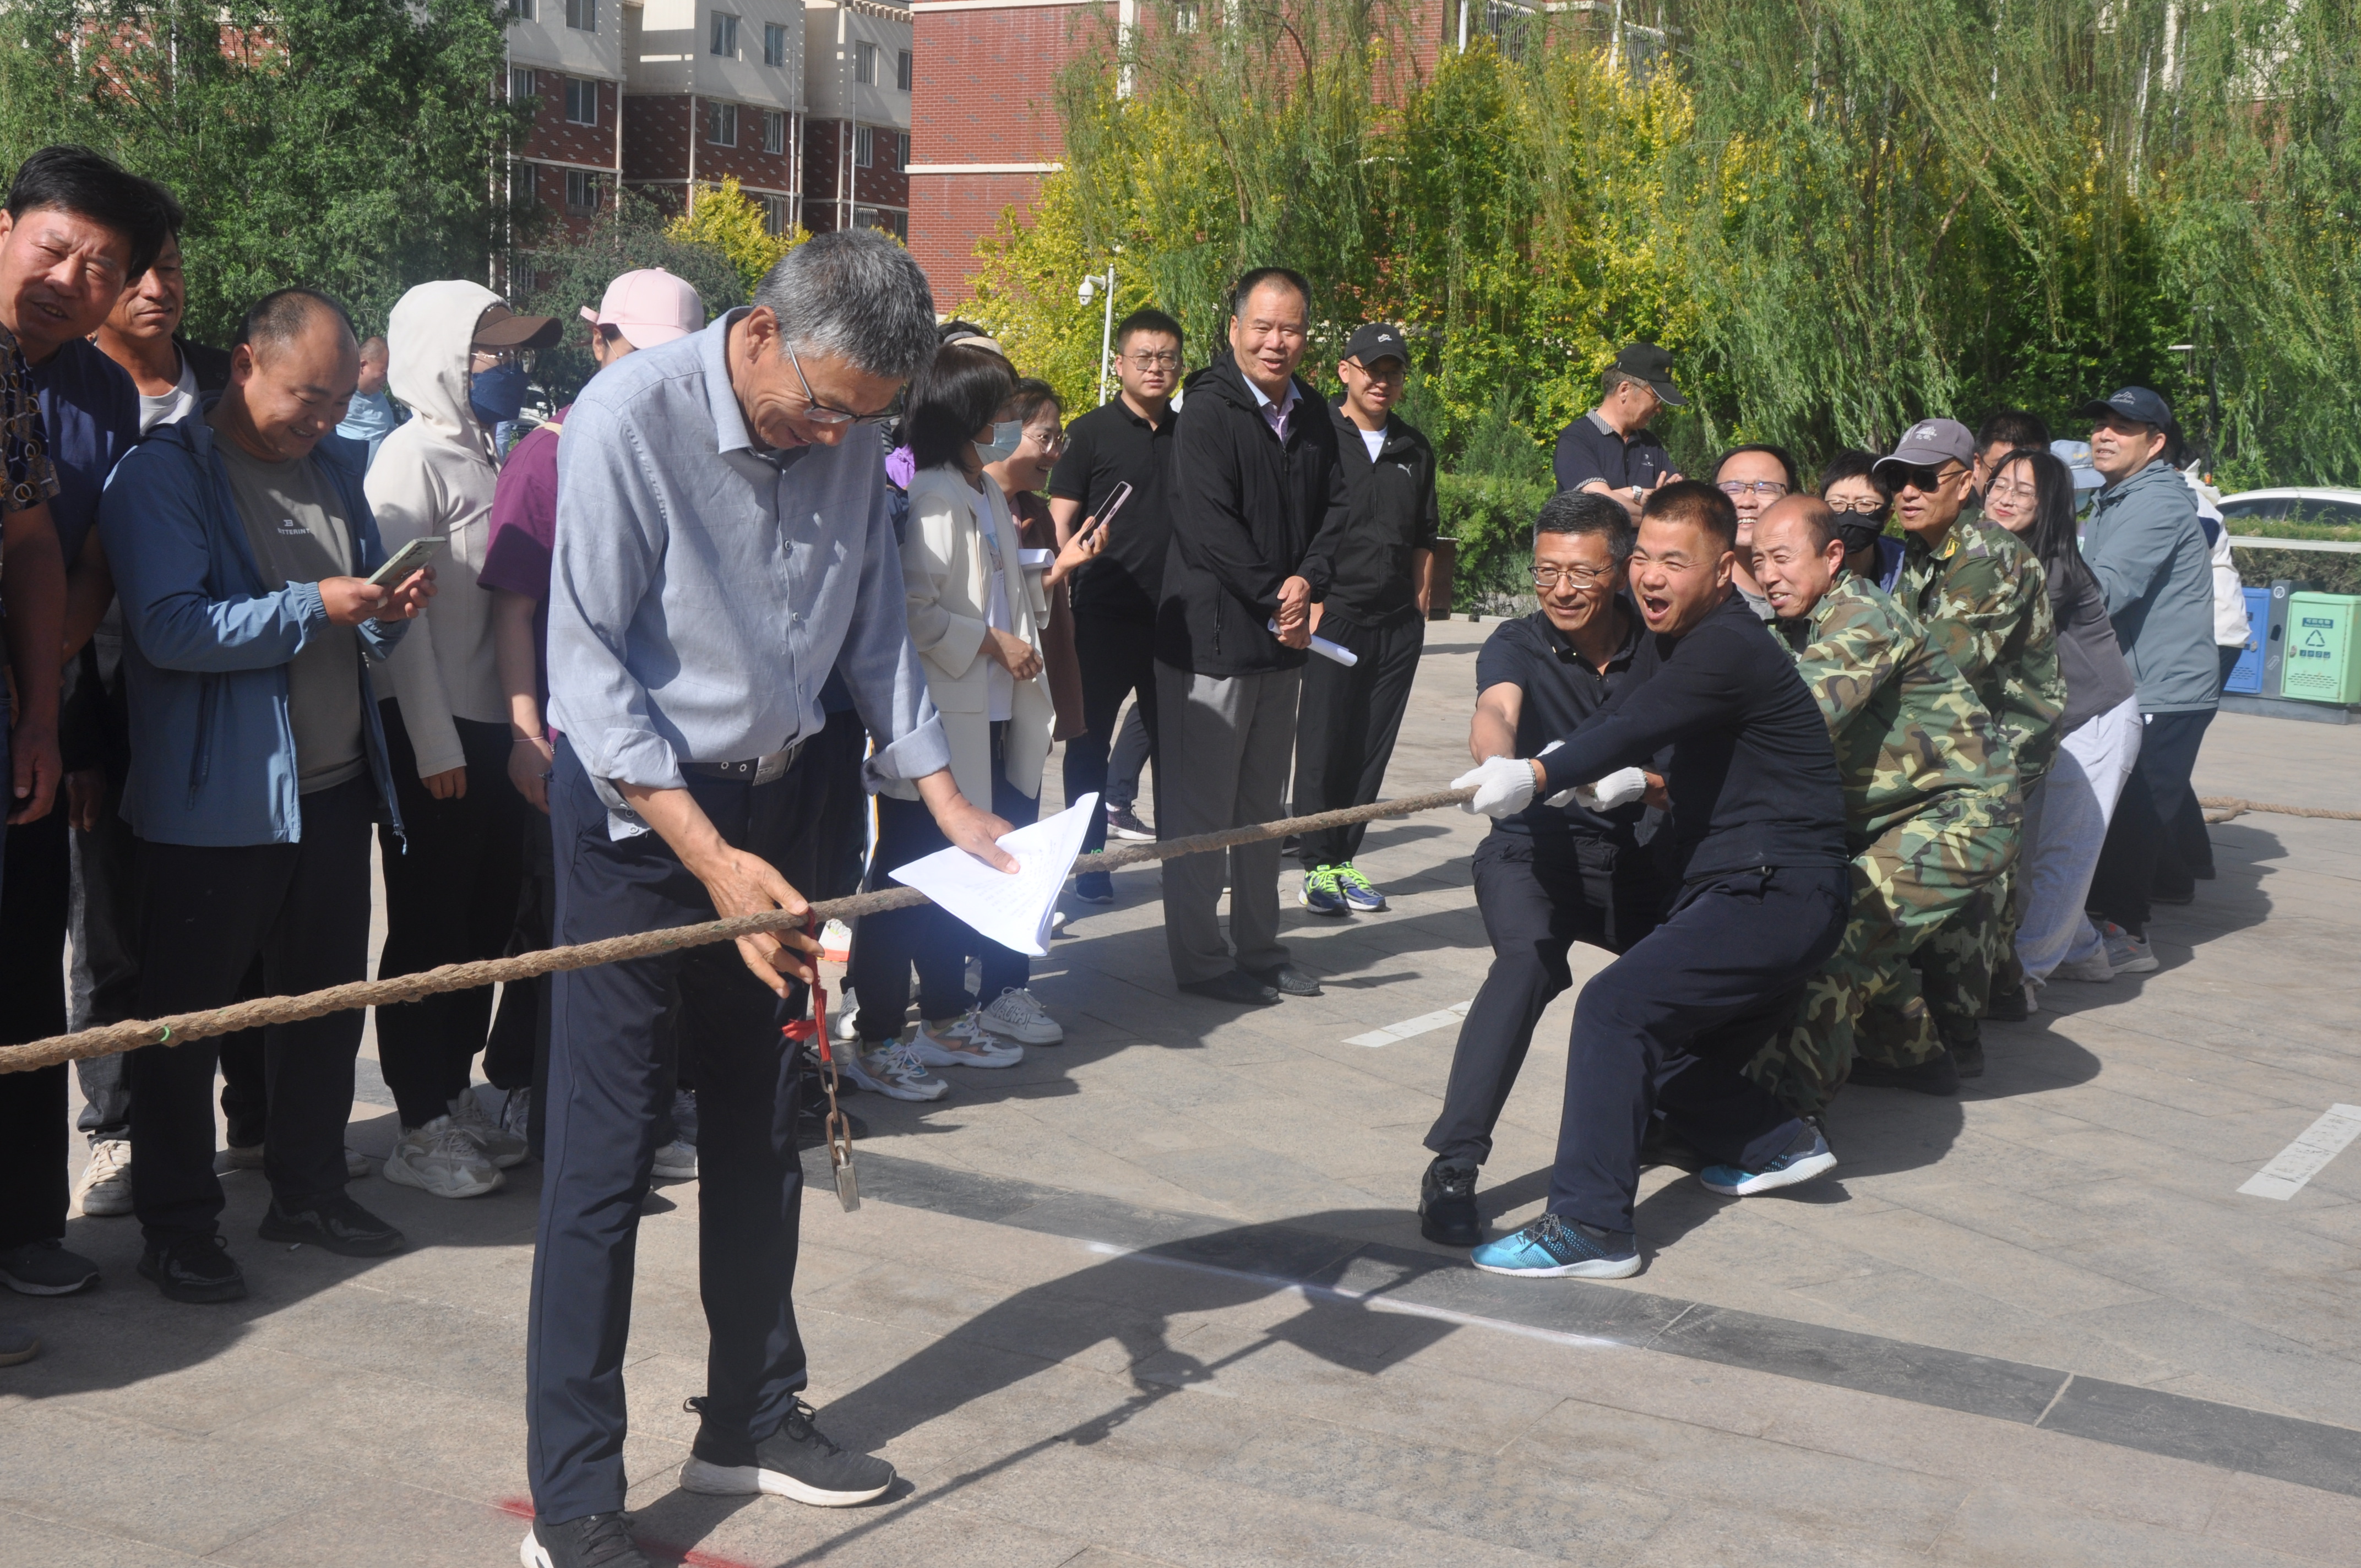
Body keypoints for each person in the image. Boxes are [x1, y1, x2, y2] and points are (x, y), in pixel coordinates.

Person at [525, 231, 1021, 1567]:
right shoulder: (626, 421)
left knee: (767, 1116)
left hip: (790, 799)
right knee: (607, 1151)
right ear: (757, 331)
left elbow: (871, 634)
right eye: (820, 408)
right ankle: (574, 1496)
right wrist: (707, 861)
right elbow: (590, 678)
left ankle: (748, 1411)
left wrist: (948, 799)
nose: (833, 441)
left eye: (864, 421)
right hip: (646, 820)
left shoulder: (853, 426)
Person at [102, 288, 436, 1303]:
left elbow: (354, 623)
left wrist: (383, 614)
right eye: (307, 395)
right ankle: (178, 1221)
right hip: (214, 803)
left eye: (340, 400)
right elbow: (169, 629)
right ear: (245, 362)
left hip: (333, 787)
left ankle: (310, 1186)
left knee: (324, 1013)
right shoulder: (162, 476)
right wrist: (314, 605)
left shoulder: (337, 467)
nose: (326, 419)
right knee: (184, 1026)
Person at [1453, 481, 1848, 1281]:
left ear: (1723, 569)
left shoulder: (1726, 646)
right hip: (1745, 887)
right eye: (1644, 558)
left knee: (1613, 1009)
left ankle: (1592, 1226)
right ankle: (1775, 1141)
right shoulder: (1674, 645)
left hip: (1774, 889)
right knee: (1645, 1040)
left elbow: (1630, 729)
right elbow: (1609, 732)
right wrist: (1554, 769)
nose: (1653, 578)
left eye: (1678, 561)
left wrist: (1533, 774)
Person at [478, 267, 708, 1164]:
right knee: (570, 941)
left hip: (668, 745)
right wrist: (526, 735)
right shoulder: (547, 455)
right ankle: (552, 1113)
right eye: (638, 356)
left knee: (658, 940)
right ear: (598, 343)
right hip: (574, 746)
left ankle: (643, 1108)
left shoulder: (688, 453)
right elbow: (514, 609)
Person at [0, 146, 175, 1298]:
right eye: (54, 246)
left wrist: (49, 706)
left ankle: (23, 1226)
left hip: (29, 704)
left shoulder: (84, 391)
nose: (72, 277)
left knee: (22, 973)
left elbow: (57, 551)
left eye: (101, 264)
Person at [847, 346, 1106, 1091]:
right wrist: (989, 640)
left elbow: (1004, 590)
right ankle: (876, 1034)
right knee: (905, 880)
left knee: (962, 878)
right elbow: (912, 611)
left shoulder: (980, 489)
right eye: (996, 412)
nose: (1005, 426)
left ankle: (947, 1017)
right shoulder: (930, 493)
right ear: (963, 416)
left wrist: (1035, 595)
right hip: (936, 721)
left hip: (993, 712)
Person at [1417, 491, 1671, 1247]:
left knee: (1698, 964)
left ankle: (1692, 1114)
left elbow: (1699, 762)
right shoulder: (1518, 640)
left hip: (1638, 850)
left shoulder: (1663, 649)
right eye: (1546, 571)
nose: (1562, 589)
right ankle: (1454, 1166)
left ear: (1621, 571)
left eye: (1582, 574)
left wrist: (1644, 784)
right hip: (1533, 845)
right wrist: (1503, 768)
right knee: (1524, 966)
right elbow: (1495, 710)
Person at [361, 282, 560, 1198]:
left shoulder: (491, 451)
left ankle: (454, 1088)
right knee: (429, 925)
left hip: (497, 730)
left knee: (483, 924)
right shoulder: (409, 457)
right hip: (435, 735)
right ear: (441, 356)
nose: (508, 371)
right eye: (492, 354)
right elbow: (396, 621)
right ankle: (417, 1118)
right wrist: (432, 742)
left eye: (514, 355)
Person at [1745, 495, 2017, 1107]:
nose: (1767, 575)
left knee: (1833, 940)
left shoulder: (1863, 615)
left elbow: (1796, 720)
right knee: (1867, 931)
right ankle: (1909, 1058)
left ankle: (1786, 1116)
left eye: (1782, 558)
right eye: (1757, 561)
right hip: (1889, 818)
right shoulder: (1790, 625)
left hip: (1963, 812)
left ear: (1833, 554)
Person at [75, 216, 237, 1221]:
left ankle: (250, 1120)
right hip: (104, 696)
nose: (156, 290)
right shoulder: (70, 392)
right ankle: (114, 1130)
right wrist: (83, 741)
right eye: (136, 274)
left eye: (172, 270)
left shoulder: (224, 381)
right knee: (111, 929)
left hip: (221, 690)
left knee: (229, 929)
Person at [1155, 268, 1343, 1006]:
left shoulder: (1314, 413)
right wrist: (1277, 594)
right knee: (1201, 817)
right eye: (1262, 327)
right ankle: (1202, 962)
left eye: (1291, 329)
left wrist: (1308, 584)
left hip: (1279, 643)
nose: (1276, 342)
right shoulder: (1207, 412)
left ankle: (1261, 949)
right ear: (1233, 330)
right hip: (1211, 642)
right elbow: (1208, 530)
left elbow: (1337, 509)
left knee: (1264, 814)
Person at [1881, 417, 2062, 1070]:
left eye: (1924, 479)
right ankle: (2005, 987)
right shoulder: (1925, 553)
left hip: (2000, 742)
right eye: (1897, 478)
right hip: (1952, 735)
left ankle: (1959, 1036)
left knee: (1965, 879)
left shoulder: (1990, 558)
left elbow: (1936, 667)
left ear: (1967, 483)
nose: (1906, 491)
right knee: (1990, 881)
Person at [1981, 449, 2141, 994]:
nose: (2004, 498)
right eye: (2000, 485)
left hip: (2093, 720)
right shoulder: (1991, 555)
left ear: (2048, 506)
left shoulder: (2054, 570)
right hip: (2044, 727)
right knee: (2021, 857)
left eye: (2022, 492)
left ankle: (2025, 975)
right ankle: (2086, 952)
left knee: (2062, 859)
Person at [1294, 322, 1437, 916]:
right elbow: (1298, 523)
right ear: (1345, 371)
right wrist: (1313, 604)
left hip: (1396, 624)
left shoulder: (1413, 448)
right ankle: (1313, 864)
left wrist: (1420, 612)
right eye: (1372, 368)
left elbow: (1425, 537)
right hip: (1336, 617)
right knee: (1325, 740)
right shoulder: (1316, 435)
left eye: (1393, 370)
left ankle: (1344, 857)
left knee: (1371, 745)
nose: (1382, 380)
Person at [2077, 386, 2219, 970]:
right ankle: (2116, 915)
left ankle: (2127, 939)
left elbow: (2102, 591)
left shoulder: (2155, 503)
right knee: (2124, 815)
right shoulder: (2114, 497)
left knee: (2131, 821)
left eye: (2123, 427)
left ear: (2155, 443)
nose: (2104, 434)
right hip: (2132, 683)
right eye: (2101, 423)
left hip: (2163, 688)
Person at [1048, 306, 1183, 902]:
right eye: (1144, 357)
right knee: (1089, 742)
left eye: (1167, 358)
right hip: (1102, 615)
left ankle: (1183, 861)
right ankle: (1090, 860)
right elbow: (1060, 525)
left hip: (1172, 619)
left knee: (1176, 746)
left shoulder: (1190, 434)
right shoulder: (1090, 432)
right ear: (1120, 363)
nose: (1156, 368)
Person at [986, 377, 1083, 746]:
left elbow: (1023, 604)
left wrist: (1062, 567)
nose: (1055, 452)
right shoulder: (961, 506)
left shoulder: (1033, 513)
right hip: (969, 702)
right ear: (1003, 432)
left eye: (1060, 440)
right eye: (1045, 438)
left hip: (1022, 701)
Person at [1551, 342, 1682, 518]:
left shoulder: (1651, 445)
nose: (1659, 409)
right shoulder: (1576, 439)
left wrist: (1629, 494)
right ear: (1625, 390)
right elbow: (1601, 510)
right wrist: (1655, 503)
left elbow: (1680, 506)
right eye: (1656, 398)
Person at [1711, 444, 1796, 620]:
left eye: (1765, 488)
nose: (1747, 501)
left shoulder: (1818, 588)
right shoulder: (1700, 594)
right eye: (1732, 488)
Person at [1817, 449, 1905, 590]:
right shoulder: (1798, 566)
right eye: (1837, 503)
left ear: (1886, 516)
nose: (1850, 514)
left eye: (1865, 504)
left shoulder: (1907, 567)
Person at [335, 336, 400, 465]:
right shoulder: (335, 394)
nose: (387, 379)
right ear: (363, 365)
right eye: (384, 372)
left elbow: (390, 433)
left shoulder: (381, 400)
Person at [1971, 409, 2051, 499]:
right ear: (1977, 465)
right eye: (2000, 469)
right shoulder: (1957, 511)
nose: (2009, 494)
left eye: (2027, 473)